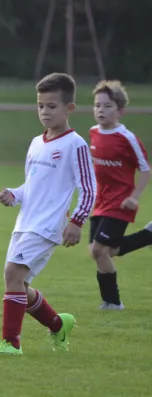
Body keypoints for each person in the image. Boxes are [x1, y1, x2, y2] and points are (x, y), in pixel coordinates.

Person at [0, 73, 96, 355]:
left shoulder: (76, 145)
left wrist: (76, 221)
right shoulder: (36, 143)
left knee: (13, 274)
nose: (45, 112)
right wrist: (13, 195)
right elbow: (31, 185)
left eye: (52, 106)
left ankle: (11, 344)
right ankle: (58, 325)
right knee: (18, 282)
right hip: (25, 222)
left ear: (69, 108)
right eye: (40, 106)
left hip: (48, 225)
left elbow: (89, 188)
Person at [88, 80, 151, 311]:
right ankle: (148, 235)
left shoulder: (128, 138)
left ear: (120, 111)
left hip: (121, 202)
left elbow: (145, 169)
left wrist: (134, 197)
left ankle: (112, 303)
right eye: (97, 105)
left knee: (98, 250)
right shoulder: (93, 133)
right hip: (100, 201)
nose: (100, 110)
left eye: (107, 106)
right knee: (104, 251)